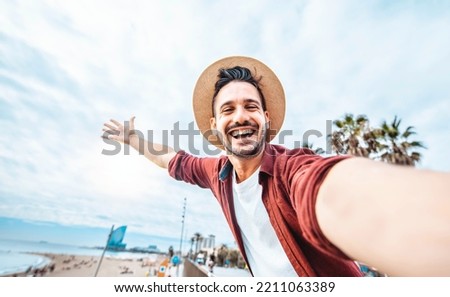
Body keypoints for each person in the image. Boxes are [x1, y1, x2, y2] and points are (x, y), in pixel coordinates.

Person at [102, 56, 450, 276]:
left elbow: (329, 190)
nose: (240, 116)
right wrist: (134, 140)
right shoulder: (216, 174)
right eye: (228, 109)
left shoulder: (290, 168)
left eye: (250, 106)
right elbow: (173, 161)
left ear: (265, 118)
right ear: (214, 124)